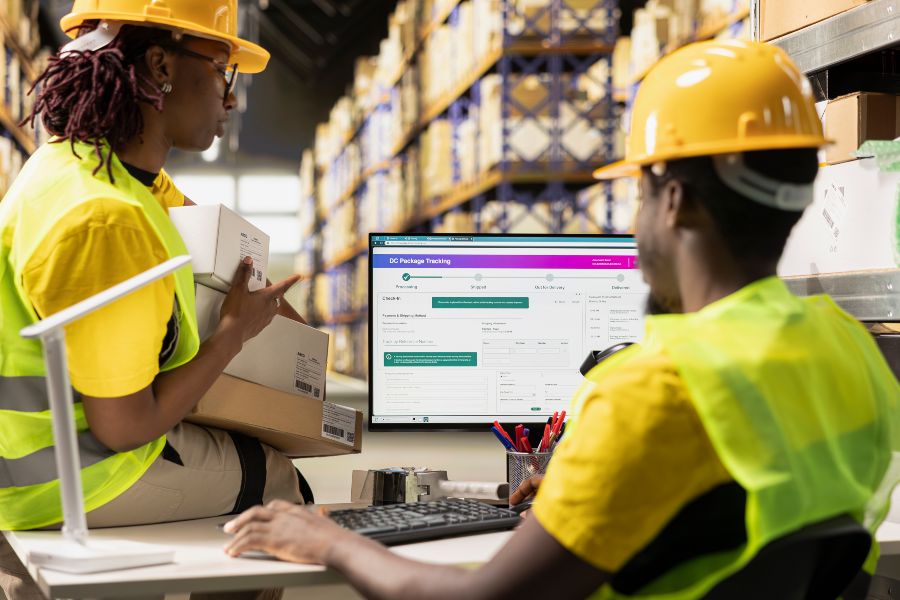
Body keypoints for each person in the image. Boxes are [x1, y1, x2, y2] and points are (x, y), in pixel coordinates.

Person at [222, 39, 900, 599]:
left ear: (672, 201)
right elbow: (750, 512)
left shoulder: (649, 389)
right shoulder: (853, 352)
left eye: (637, 193)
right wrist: (600, 485)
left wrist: (331, 541)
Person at [0, 1, 312, 597]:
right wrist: (230, 339)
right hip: (69, 475)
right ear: (160, 66)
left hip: (31, 457)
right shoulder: (105, 219)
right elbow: (125, 428)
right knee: (275, 480)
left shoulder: (90, 164)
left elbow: (226, 252)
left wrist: (302, 348)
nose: (231, 99)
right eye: (223, 71)